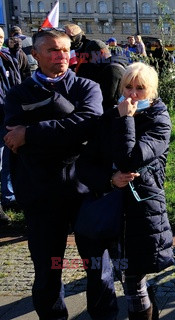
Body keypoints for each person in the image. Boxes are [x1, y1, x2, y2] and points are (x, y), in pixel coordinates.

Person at [3, 28, 103, 319]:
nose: (61, 56)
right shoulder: (18, 93)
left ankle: (103, 314)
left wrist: (31, 132)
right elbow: (13, 140)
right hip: (41, 192)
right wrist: (67, 128)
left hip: (85, 190)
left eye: (64, 50)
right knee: (48, 268)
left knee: (97, 265)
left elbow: (88, 124)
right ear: (35, 55)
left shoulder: (87, 87)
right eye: (52, 50)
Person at [76, 62, 173, 320]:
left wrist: (127, 119)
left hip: (140, 211)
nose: (132, 94)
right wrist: (109, 179)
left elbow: (131, 158)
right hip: (108, 209)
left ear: (151, 92)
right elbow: (85, 164)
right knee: (110, 275)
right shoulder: (111, 116)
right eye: (128, 86)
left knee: (133, 282)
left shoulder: (159, 119)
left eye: (140, 88)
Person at [0, 27, 23, 223]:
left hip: (7, 115)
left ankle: (8, 197)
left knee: (7, 159)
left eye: (1, 37)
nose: (0, 41)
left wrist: (16, 52)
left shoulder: (7, 56)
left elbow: (16, 79)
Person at [76, 39, 127, 112]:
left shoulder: (111, 70)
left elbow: (107, 100)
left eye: (90, 57)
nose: (90, 61)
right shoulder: (116, 63)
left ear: (100, 53)